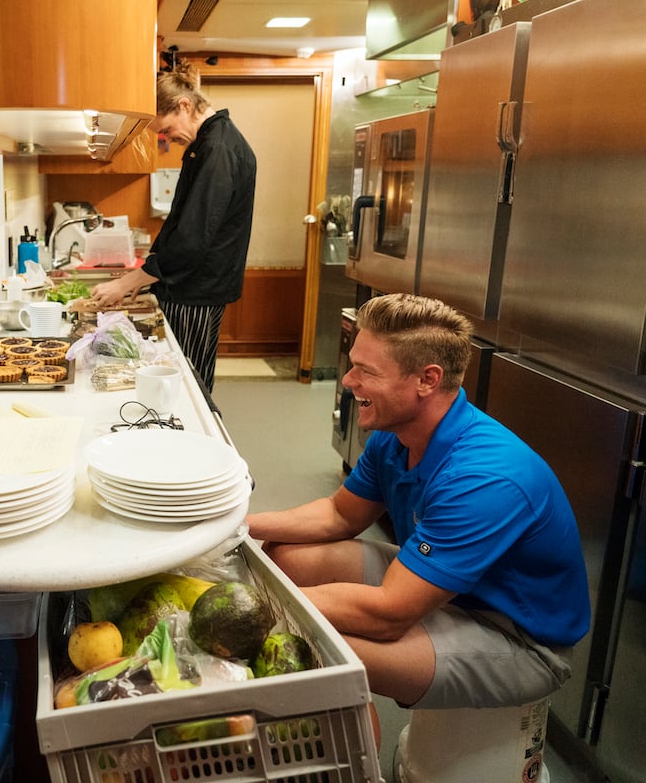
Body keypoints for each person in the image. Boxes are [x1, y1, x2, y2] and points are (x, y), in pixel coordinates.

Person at [247, 293, 589, 711]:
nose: (348, 381)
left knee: (310, 647)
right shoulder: (396, 436)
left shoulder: (484, 478)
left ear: (427, 379)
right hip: (450, 589)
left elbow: (388, 614)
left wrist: (256, 602)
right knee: (288, 556)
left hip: (517, 636)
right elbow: (339, 514)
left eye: (365, 371)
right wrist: (240, 526)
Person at [89, 61, 256, 392]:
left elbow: (193, 238)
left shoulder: (217, 149)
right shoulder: (210, 143)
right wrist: (147, 273)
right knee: (192, 377)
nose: (166, 139)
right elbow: (184, 223)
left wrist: (132, 280)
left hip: (196, 290)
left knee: (184, 384)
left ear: (184, 105)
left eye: (165, 130)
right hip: (197, 286)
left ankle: (187, 440)